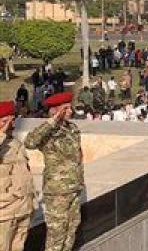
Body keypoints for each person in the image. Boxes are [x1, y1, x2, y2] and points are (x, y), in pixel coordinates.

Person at [24, 92, 84, 251]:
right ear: (55, 111)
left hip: (74, 188)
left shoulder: (73, 129)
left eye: (70, 108)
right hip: (57, 192)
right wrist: (52, 121)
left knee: (71, 231)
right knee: (56, 234)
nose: (71, 112)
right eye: (66, 109)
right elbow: (30, 142)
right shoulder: (48, 131)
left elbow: (78, 157)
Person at [0, 100, 34, 251]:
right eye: (5, 121)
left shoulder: (15, 143)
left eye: (13, 120)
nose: (11, 125)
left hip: (22, 208)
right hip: (4, 212)